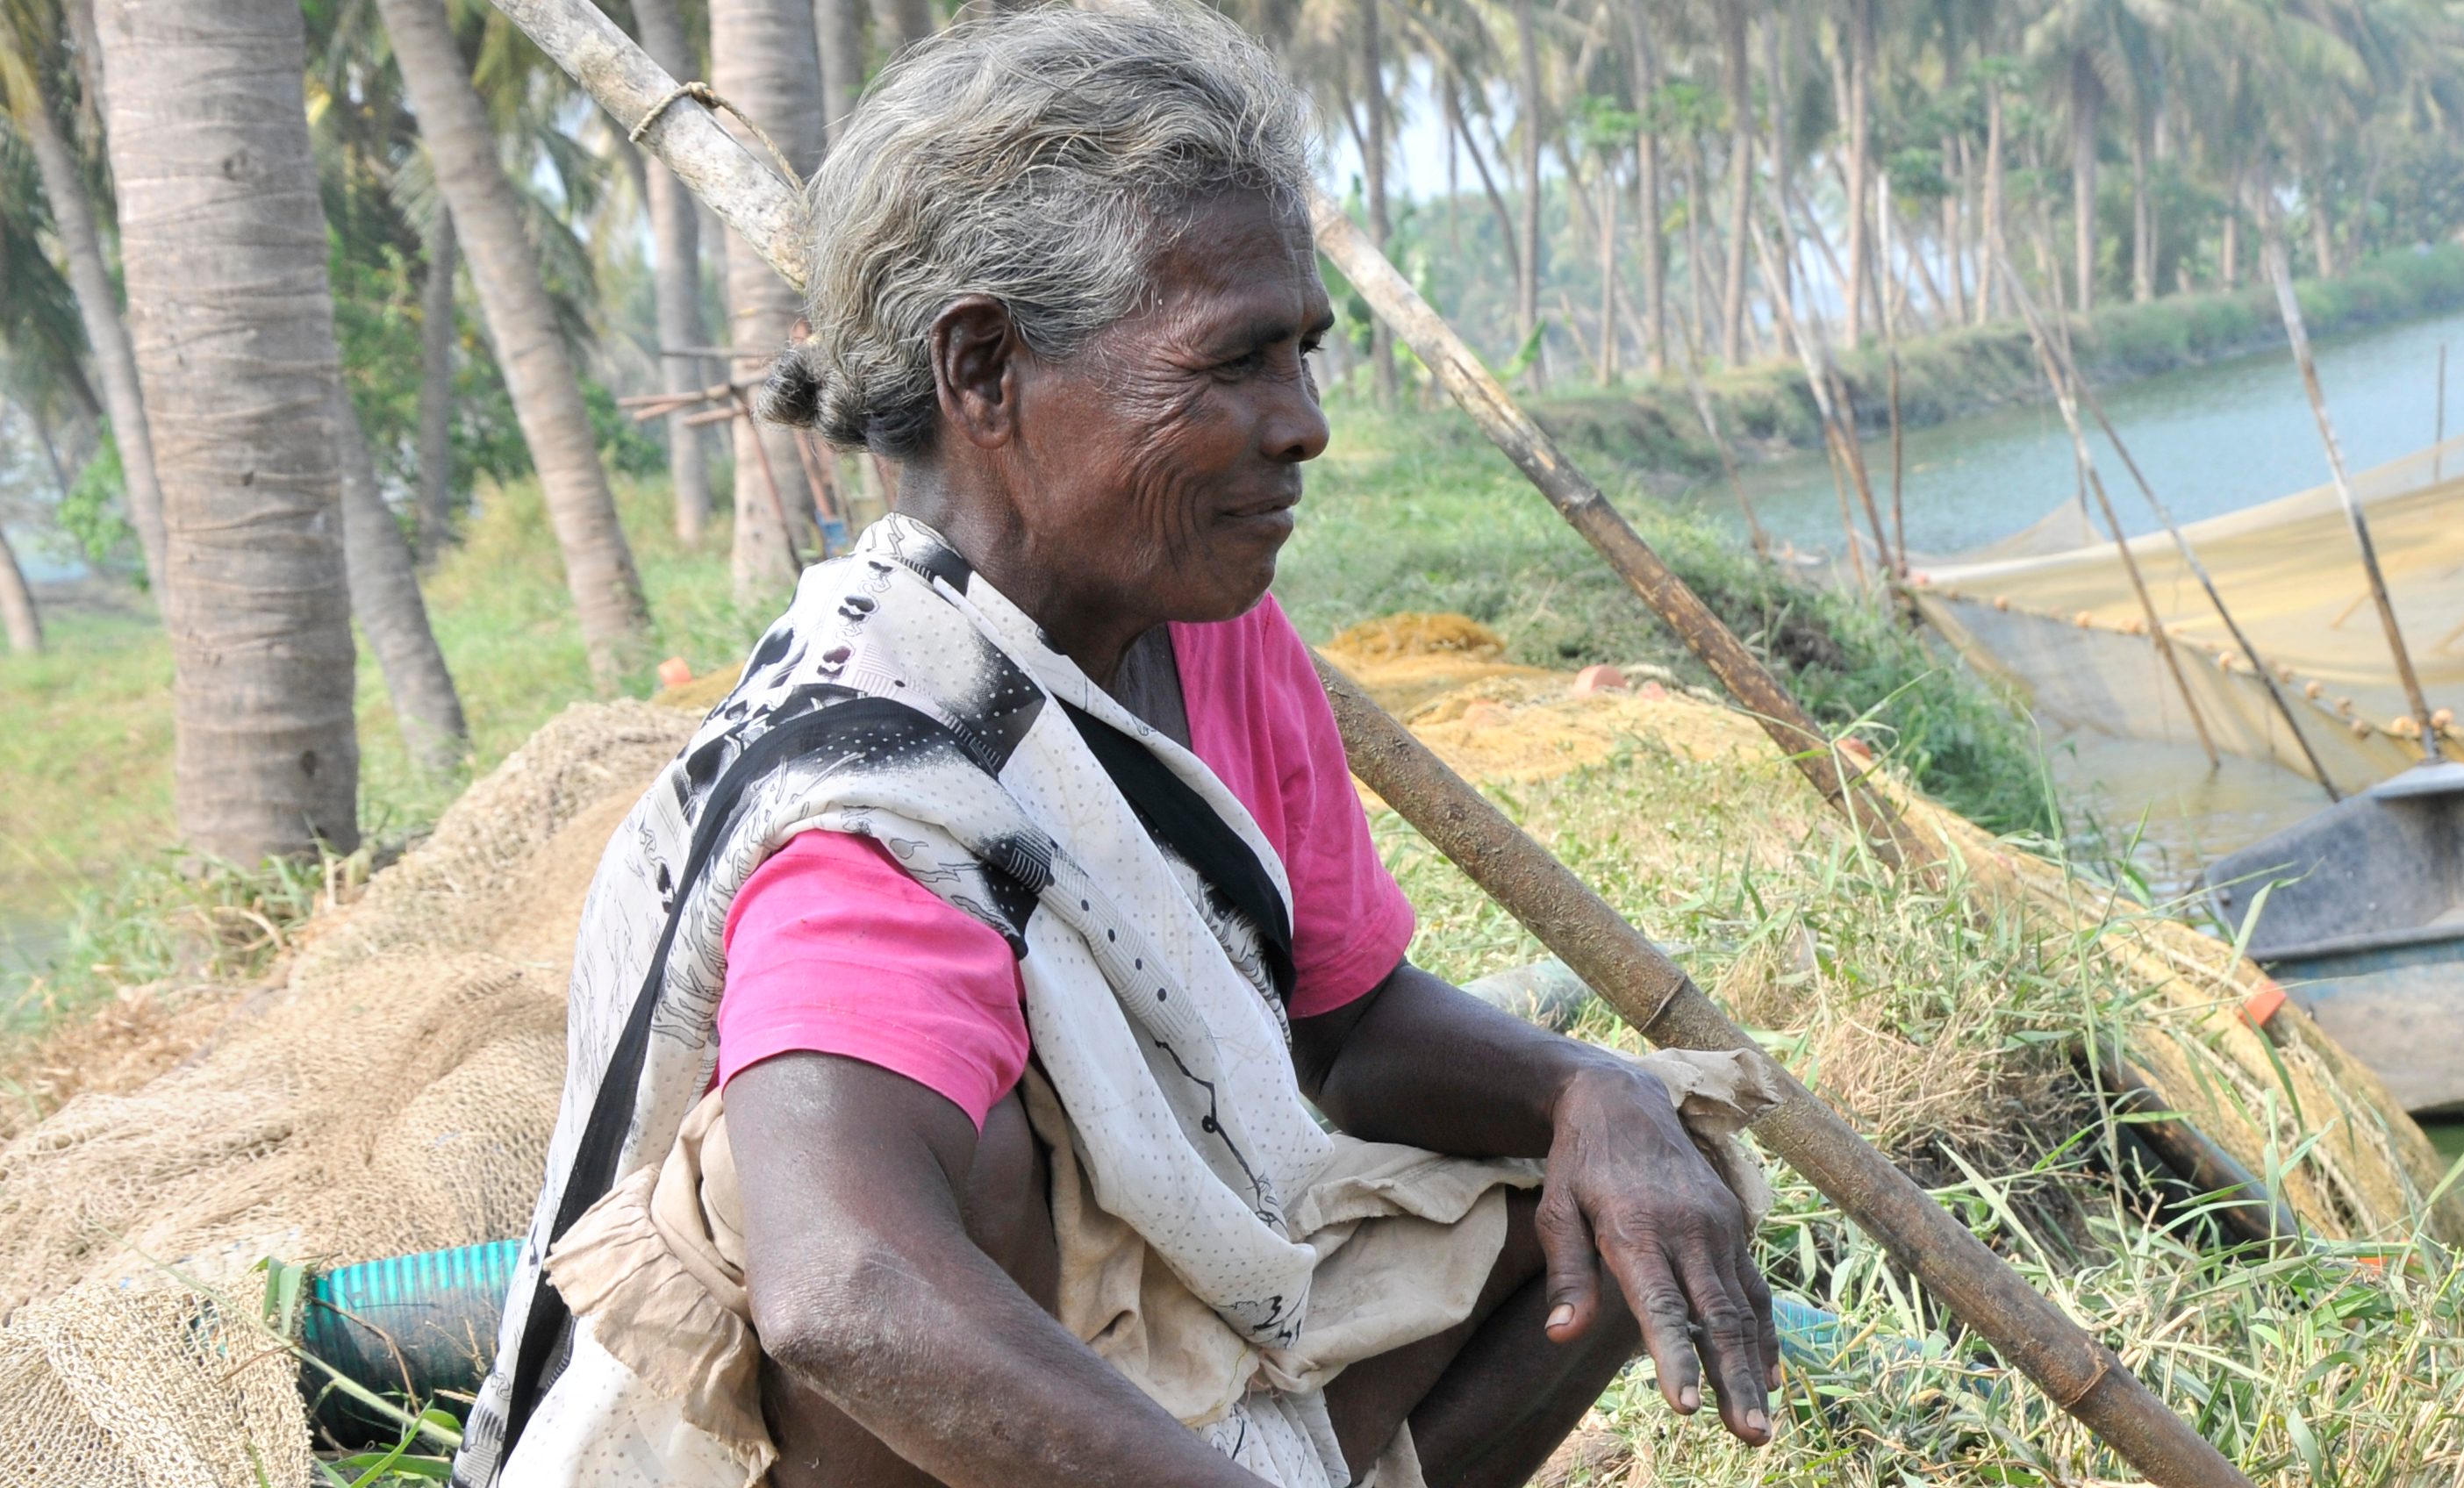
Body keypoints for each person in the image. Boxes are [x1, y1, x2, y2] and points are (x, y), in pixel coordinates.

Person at [453, 7, 1779, 1484]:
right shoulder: (883, 796)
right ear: (983, 370)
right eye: (1233, 364)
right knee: (960, 1157)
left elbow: (1349, 1029)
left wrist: (1594, 1096)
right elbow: (841, 1286)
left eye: (1305, 356)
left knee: (1647, 1172)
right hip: (880, 1428)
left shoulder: (1205, 626)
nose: (1306, 426)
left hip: (1160, 1352)